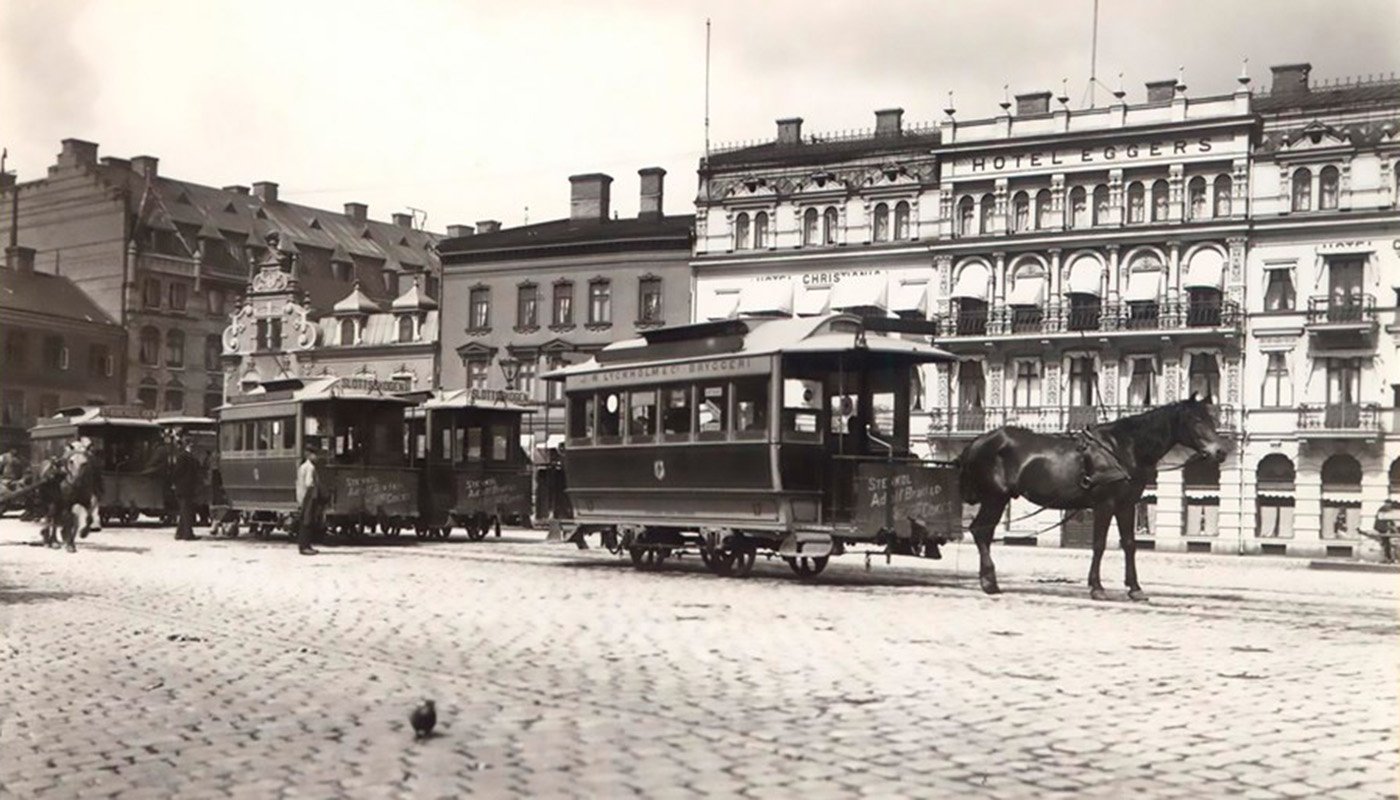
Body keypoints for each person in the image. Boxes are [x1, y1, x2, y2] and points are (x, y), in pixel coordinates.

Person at [172, 436, 200, 541]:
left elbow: (177, 472)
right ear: (188, 445)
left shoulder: (184, 456)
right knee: (186, 511)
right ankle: (188, 534)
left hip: (184, 488)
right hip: (185, 488)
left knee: (184, 510)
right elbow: (178, 472)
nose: (193, 446)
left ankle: (179, 534)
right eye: (191, 444)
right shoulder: (186, 457)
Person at [295, 445, 321, 555]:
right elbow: (309, 483)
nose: (317, 457)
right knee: (308, 521)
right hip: (309, 496)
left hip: (302, 496)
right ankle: (305, 546)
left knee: (304, 521)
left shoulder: (302, 466)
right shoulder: (310, 467)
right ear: (310, 455)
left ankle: (303, 545)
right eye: (315, 454)